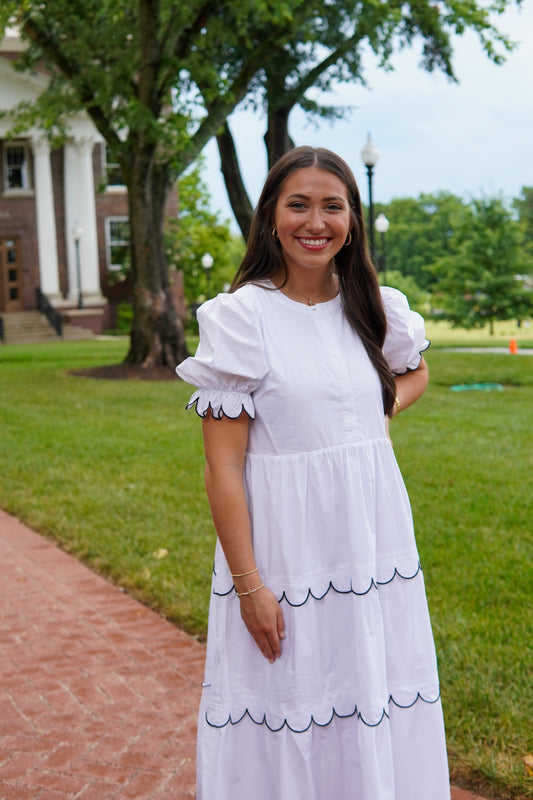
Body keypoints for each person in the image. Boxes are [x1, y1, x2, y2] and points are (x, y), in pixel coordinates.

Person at [176, 146, 450, 799]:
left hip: (371, 547)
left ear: (351, 218)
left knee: (372, 696)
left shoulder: (372, 305)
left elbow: (413, 372)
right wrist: (250, 588)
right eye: (298, 203)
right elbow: (223, 470)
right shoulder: (241, 319)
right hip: (286, 557)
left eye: (332, 205)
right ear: (271, 215)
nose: (315, 221)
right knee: (290, 708)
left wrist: (381, 409)